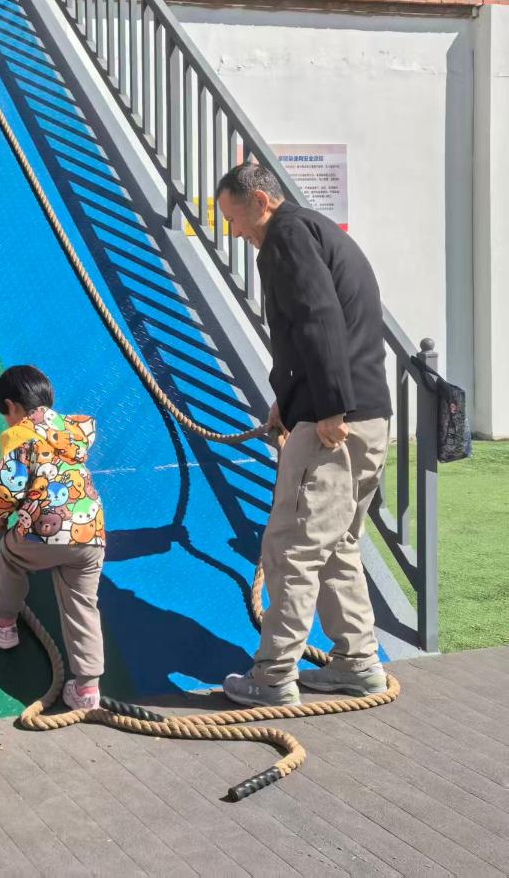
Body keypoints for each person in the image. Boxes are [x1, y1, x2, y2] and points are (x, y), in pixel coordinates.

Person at [216, 163, 392, 707]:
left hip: (334, 423)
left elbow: (318, 318)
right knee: (336, 545)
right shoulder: (316, 230)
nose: (234, 232)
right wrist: (289, 401)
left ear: (261, 201)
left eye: (234, 218)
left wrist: (329, 406)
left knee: (292, 547)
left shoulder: (287, 236)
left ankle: (272, 677)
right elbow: (325, 327)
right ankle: (356, 664)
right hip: (367, 416)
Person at [0, 365, 106, 711]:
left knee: (12, 556)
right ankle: (87, 688)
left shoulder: (19, 435)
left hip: (45, 532)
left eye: (4, 414)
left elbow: (9, 486)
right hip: (91, 532)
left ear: (11, 406)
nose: (6, 422)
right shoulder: (71, 431)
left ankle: (3, 623)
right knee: (82, 603)